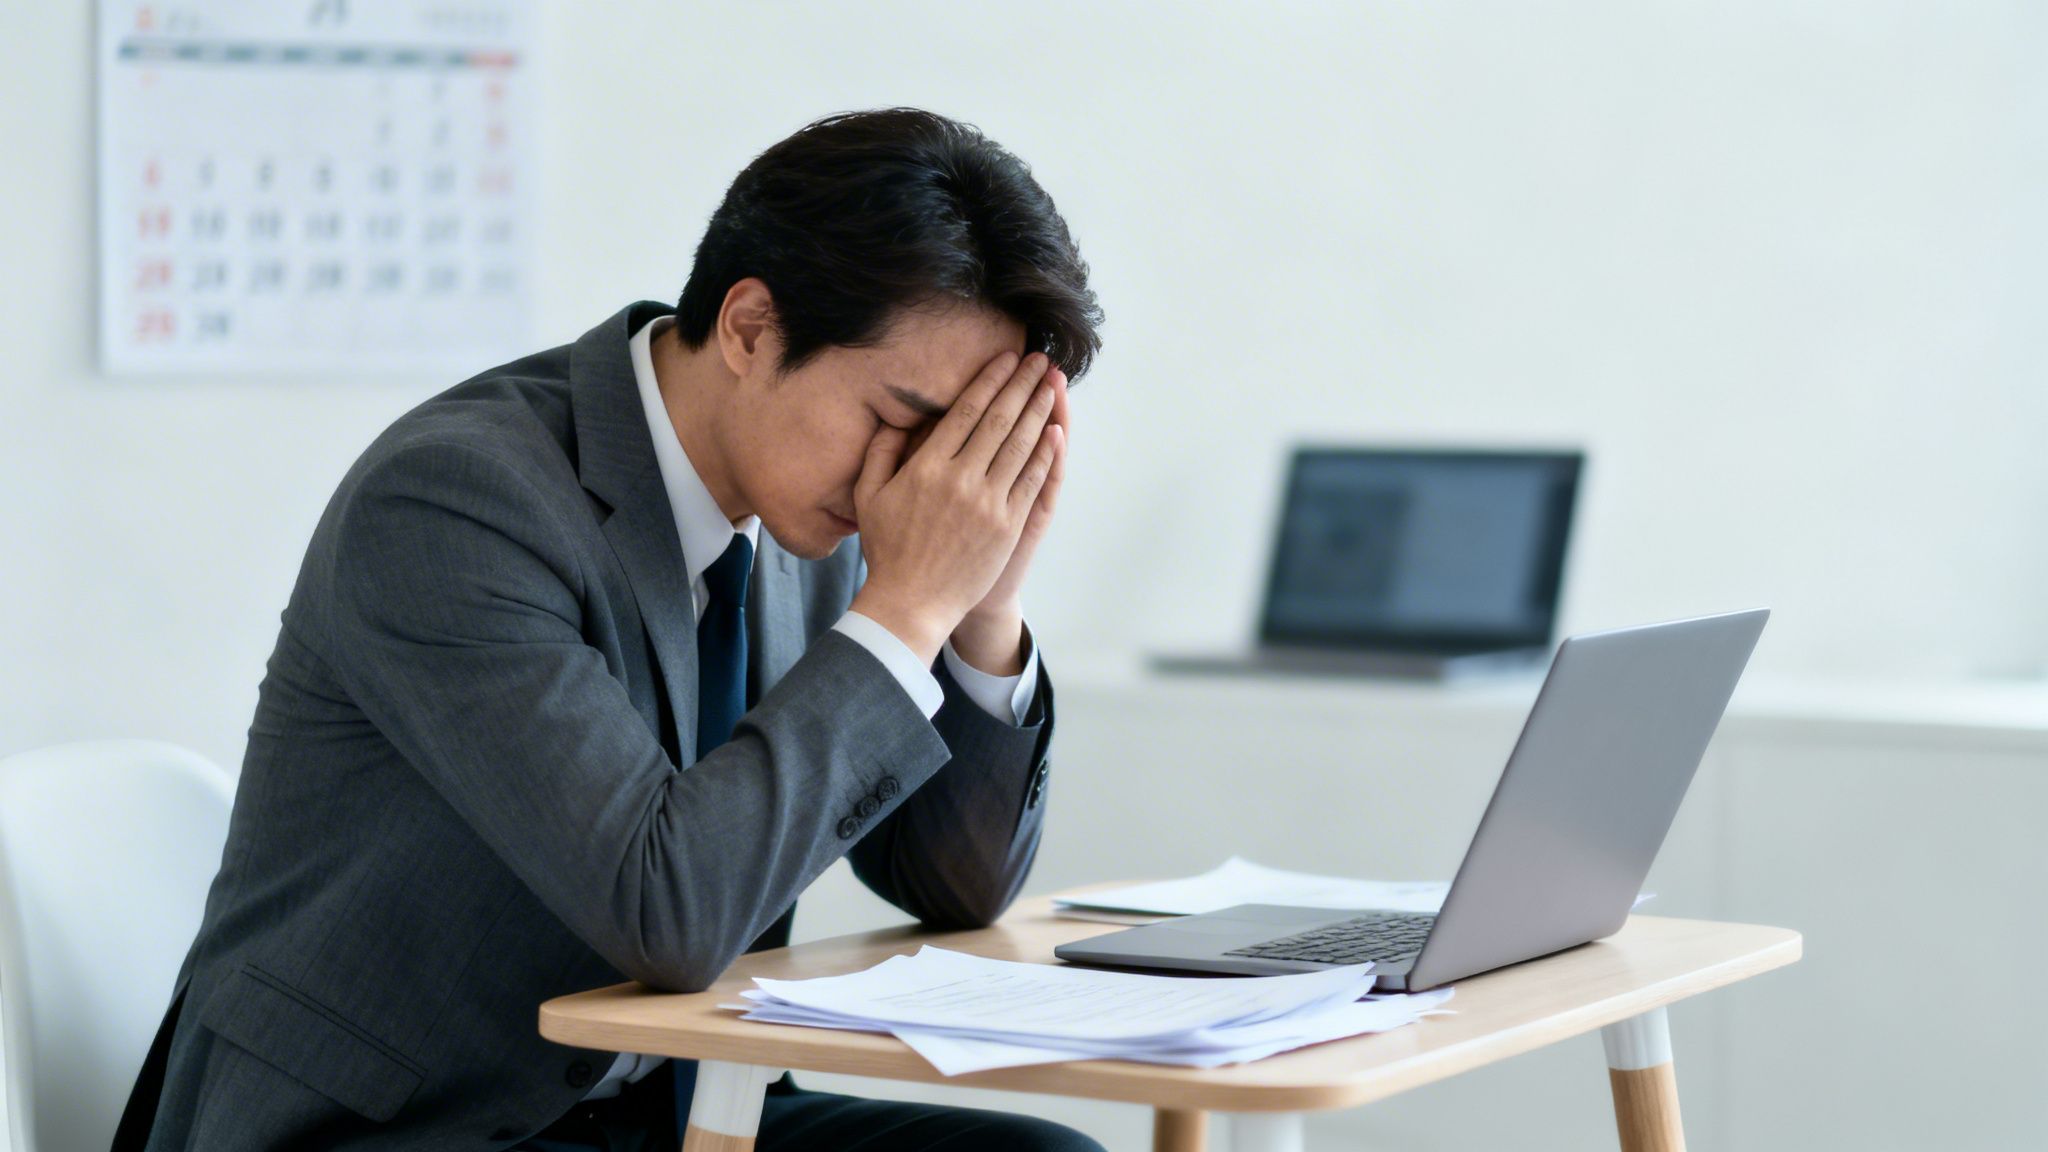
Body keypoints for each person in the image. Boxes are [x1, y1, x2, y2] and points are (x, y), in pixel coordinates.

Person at [115, 108, 1105, 1152]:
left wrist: (981, 600)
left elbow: (956, 885)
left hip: (676, 1108)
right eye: (901, 420)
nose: (913, 477)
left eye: (958, 439)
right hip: (401, 1123)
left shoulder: (833, 514)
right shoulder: (455, 501)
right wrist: (905, 609)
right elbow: (664, 910)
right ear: (750, 327)